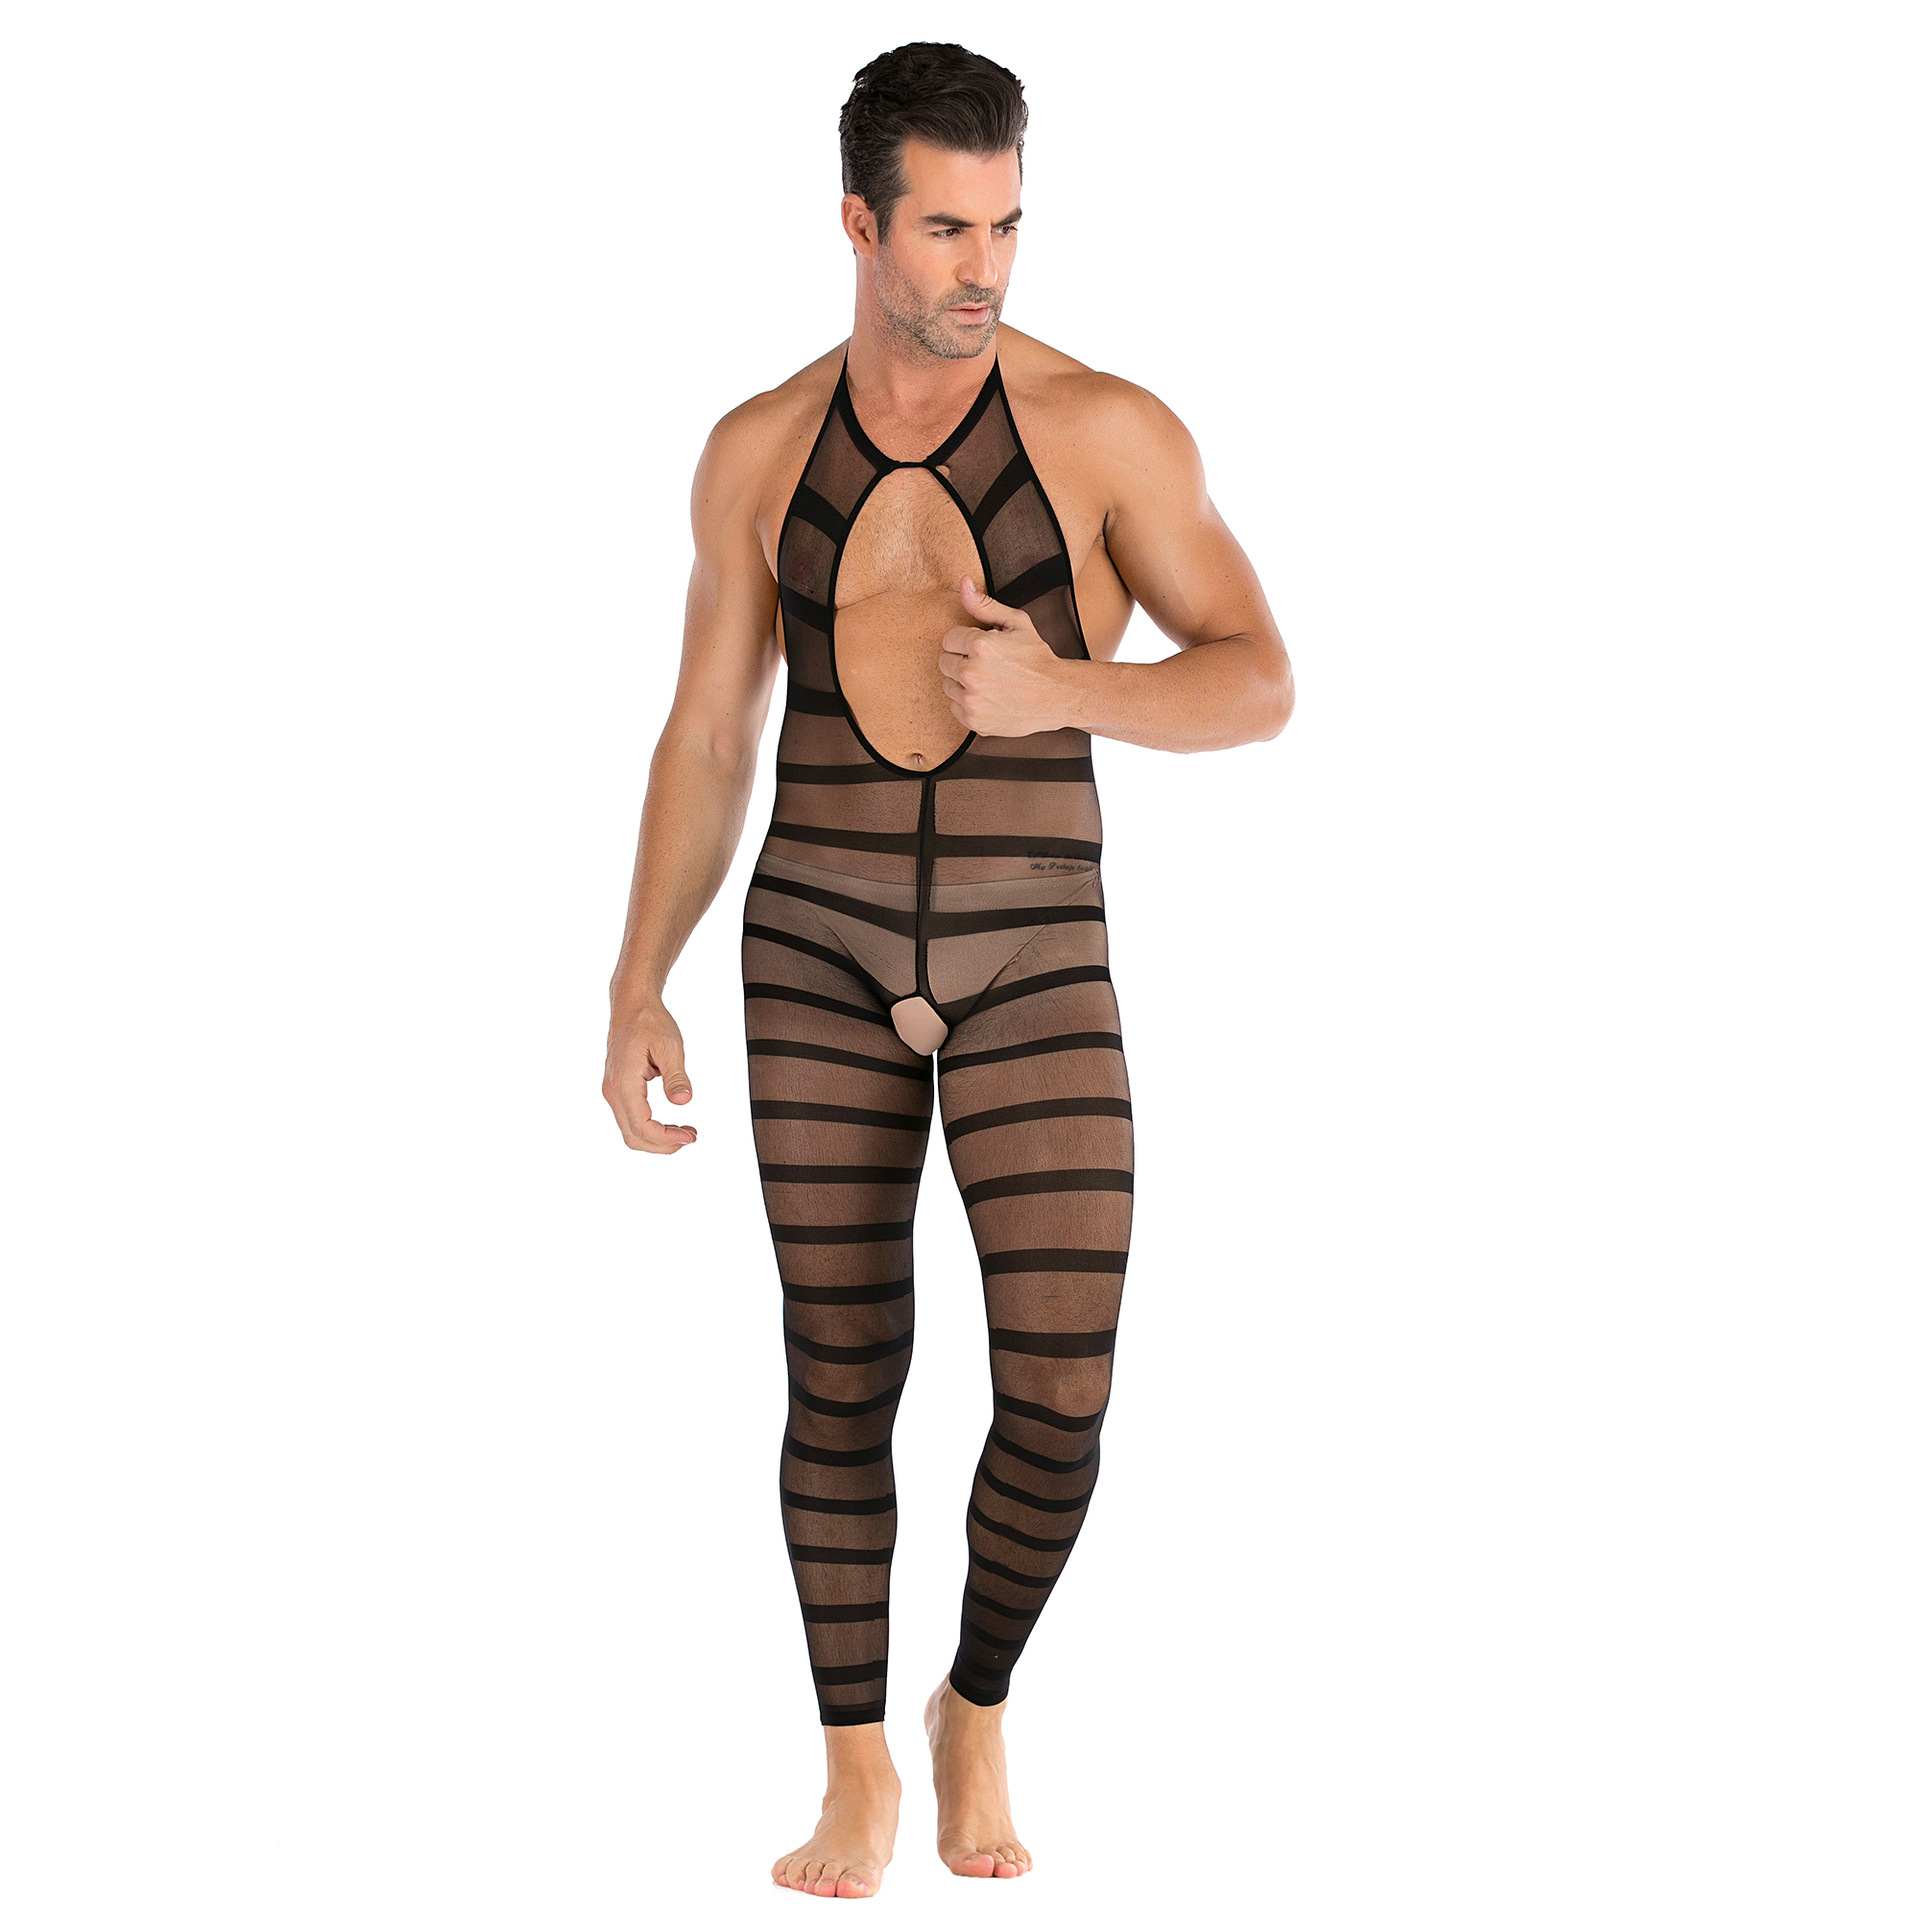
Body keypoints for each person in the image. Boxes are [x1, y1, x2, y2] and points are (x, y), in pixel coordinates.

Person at [602, 40, 1293, 1899]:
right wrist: (637, 978)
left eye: (1006, 226)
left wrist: (1065, 687)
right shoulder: (758, 451)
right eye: (944, 230)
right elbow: (707, 734)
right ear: (858, 223)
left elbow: (1258, 677)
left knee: (1060, 1393)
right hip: (813, 947)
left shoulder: (1105, 432)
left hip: (1031, 949)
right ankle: (855, 1770)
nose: (982, 268)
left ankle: (972, 1698)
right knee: (841, 1369)